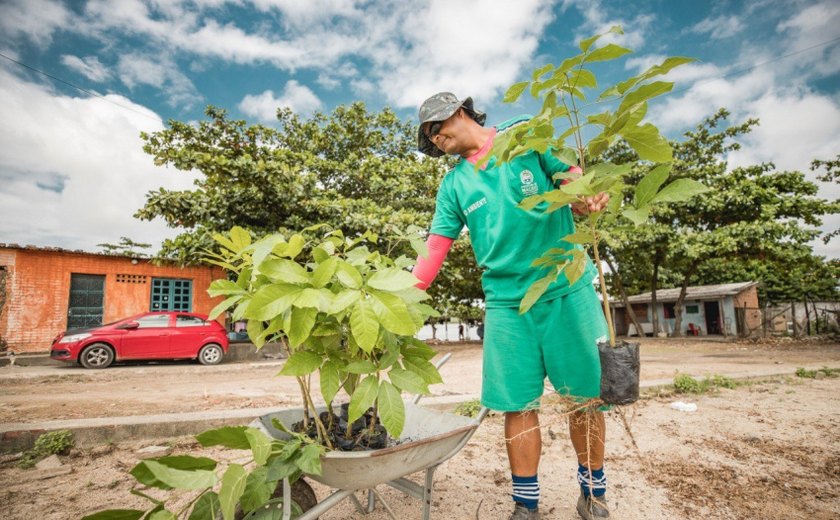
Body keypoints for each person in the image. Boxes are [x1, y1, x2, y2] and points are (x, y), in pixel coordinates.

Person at [412, 92, 611, 520]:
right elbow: (434, 248)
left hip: (566, 289)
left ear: (457, 113)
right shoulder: (454, 185)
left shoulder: (527, 137)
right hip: (506, 305)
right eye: (429, 139)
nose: (435, 141)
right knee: (517, 405)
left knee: (586, 400)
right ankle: (526, 504)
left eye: (434, 130)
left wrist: (583, 195)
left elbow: (570, 177)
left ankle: (593, 495)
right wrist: (402, 298)